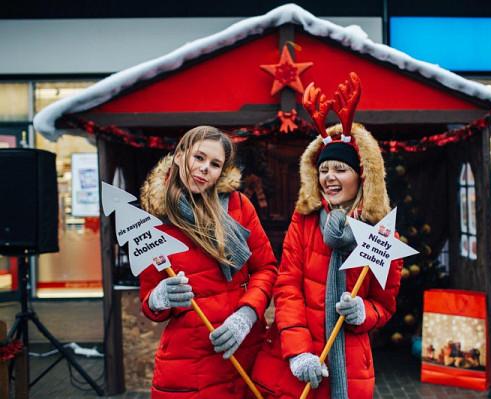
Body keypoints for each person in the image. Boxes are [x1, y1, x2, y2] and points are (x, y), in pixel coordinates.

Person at [252, 73, 403, 399]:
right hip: (300, 361)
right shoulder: (304, 220)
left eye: (340, 169)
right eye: (323, 170)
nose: (329, 178)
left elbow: (384, 304)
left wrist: (364, 312)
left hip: (350, 366)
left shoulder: (382, 234)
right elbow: (287, 286)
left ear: (361, 175)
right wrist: (298, 351)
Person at [138, 126, 277, 399]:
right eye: (198, 158)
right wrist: (159, 298)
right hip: (191, 364)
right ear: (179, 156)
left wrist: (246, 316)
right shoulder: (154, 221)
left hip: (246, 351)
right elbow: (150, 305)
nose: (204, 169)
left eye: (215, 164)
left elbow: (266, 268)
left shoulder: (238, 205)